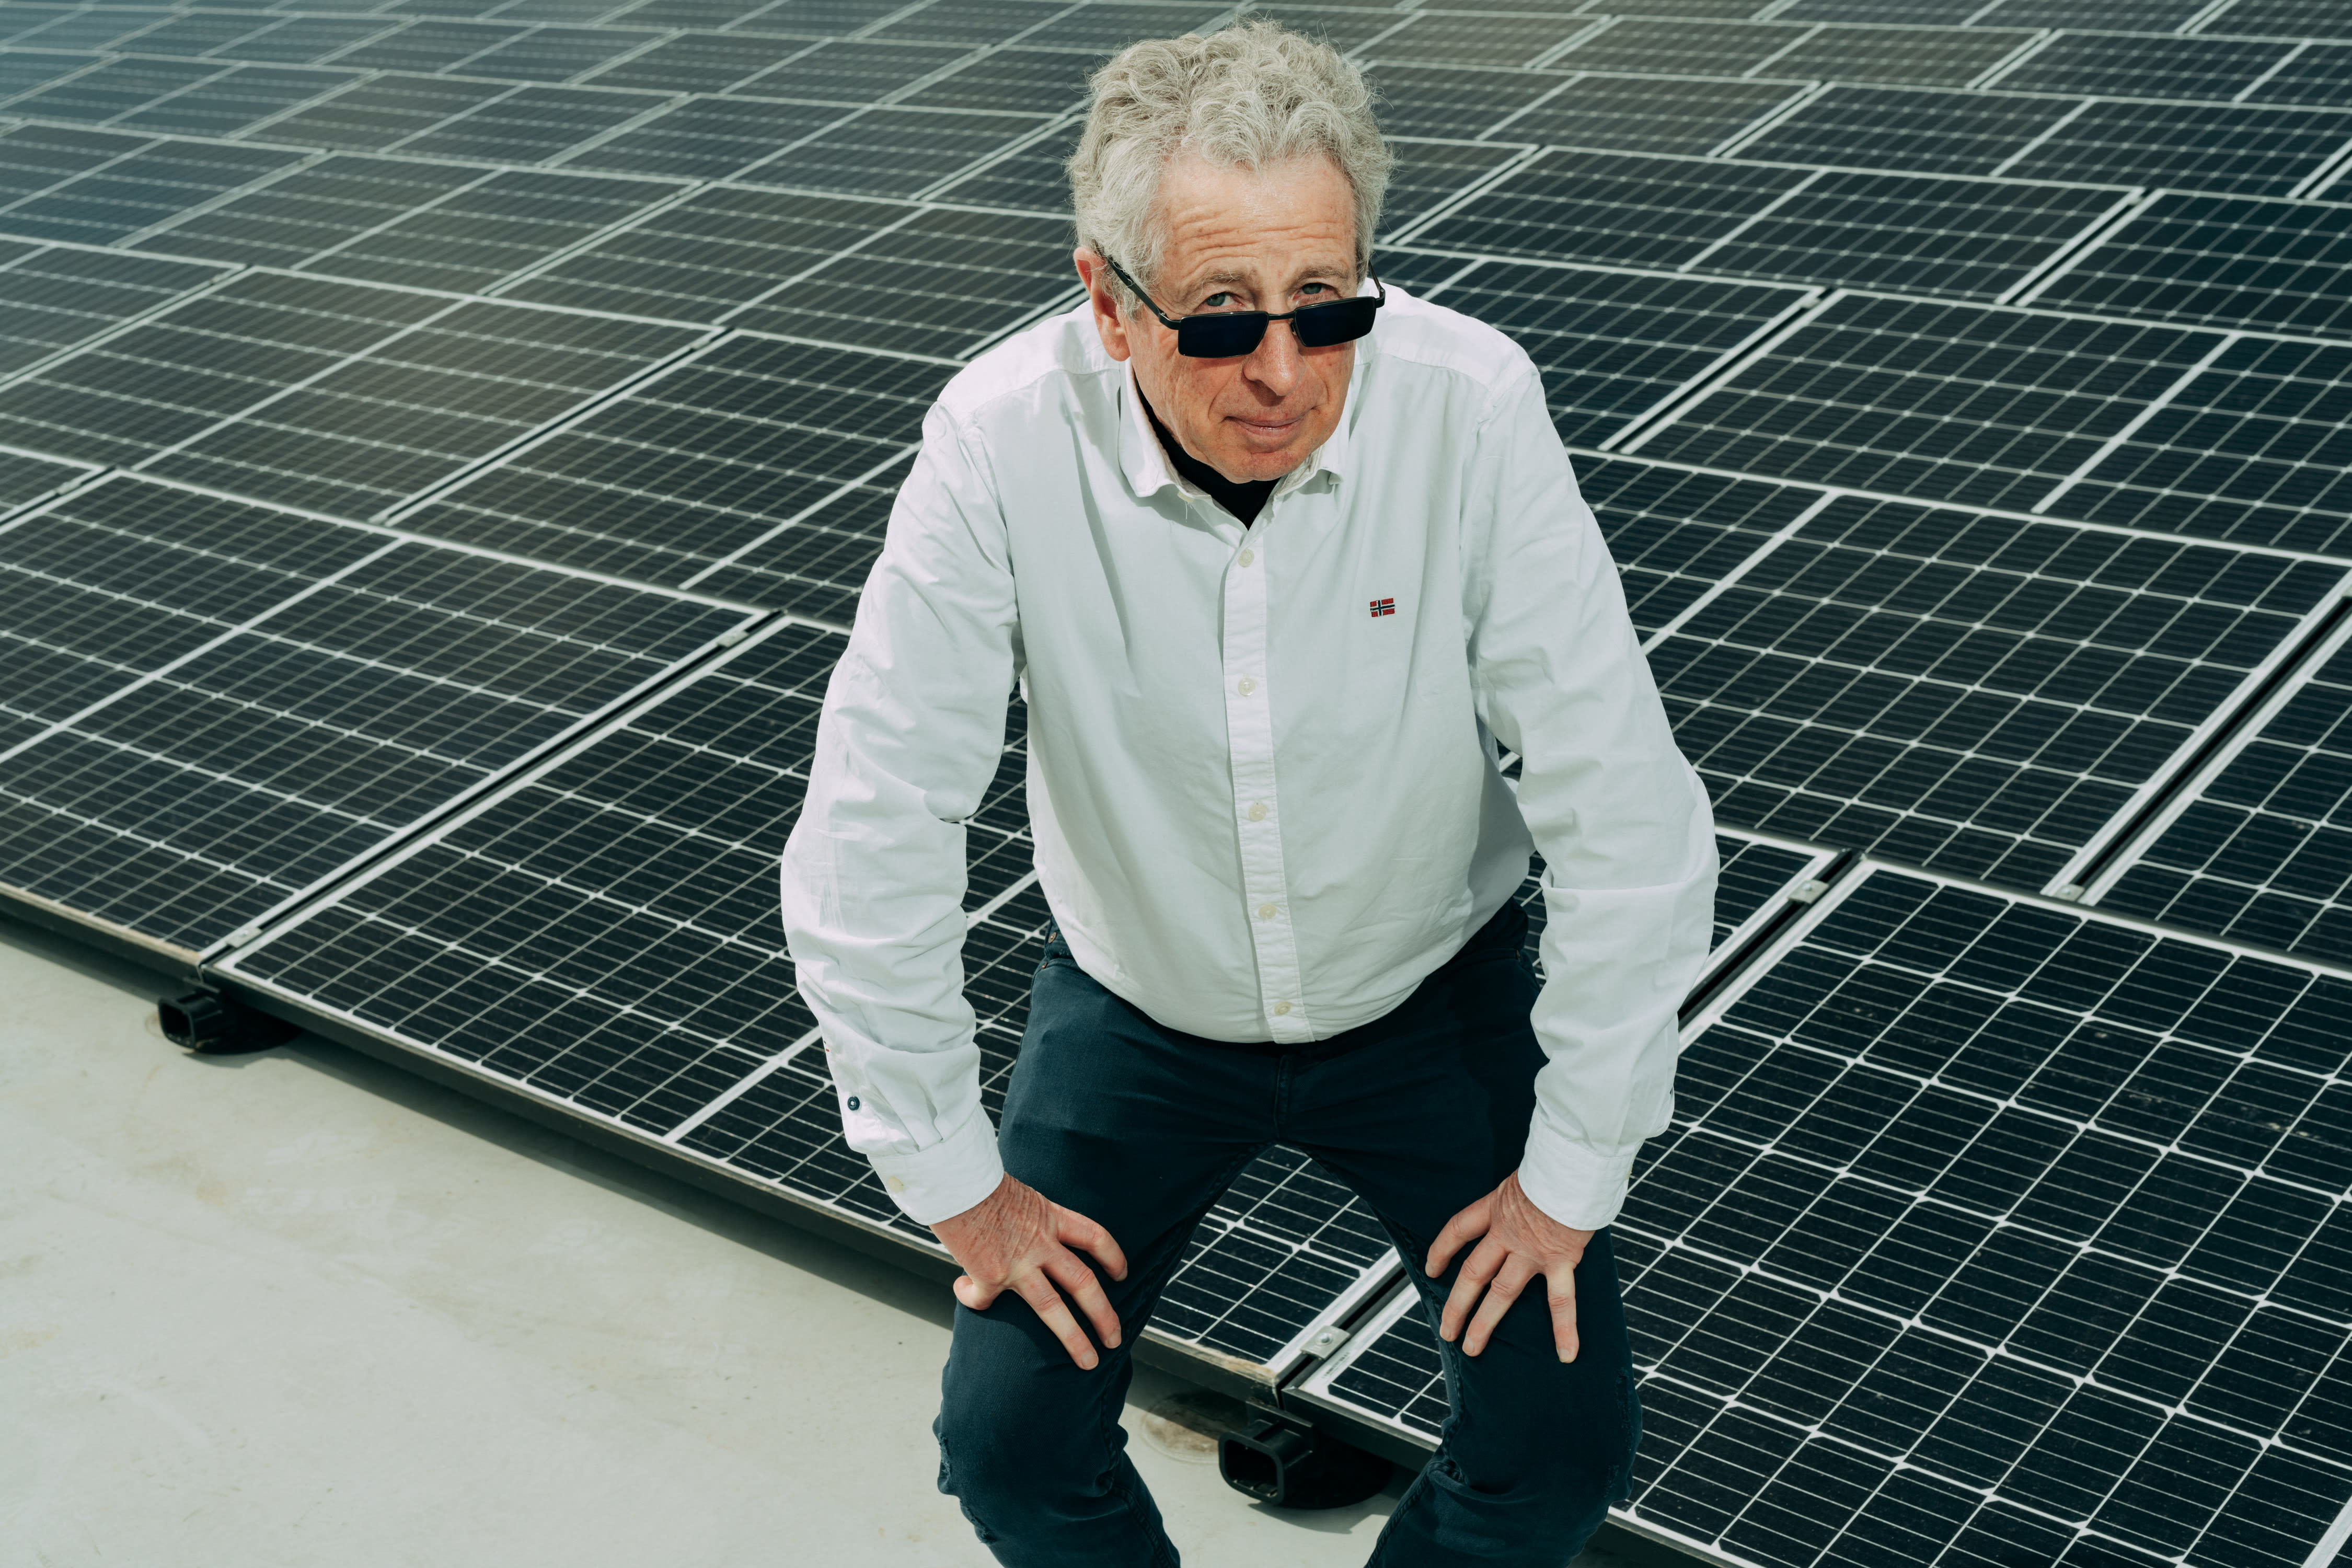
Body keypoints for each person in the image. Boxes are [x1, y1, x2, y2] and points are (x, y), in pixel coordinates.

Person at [779, 20, 1717, 1566]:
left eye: (1326, 304)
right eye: (1220, 316)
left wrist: (1566, 1179)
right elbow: (873, 825)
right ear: (1108, 301)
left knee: (1555, 1452)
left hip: (1429, 997)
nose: (1283, 373)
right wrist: (954, 1184)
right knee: (1009, 1449)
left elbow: (1626, 811)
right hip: (1138, 1010)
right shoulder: (997, 443)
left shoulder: (1470, 404)